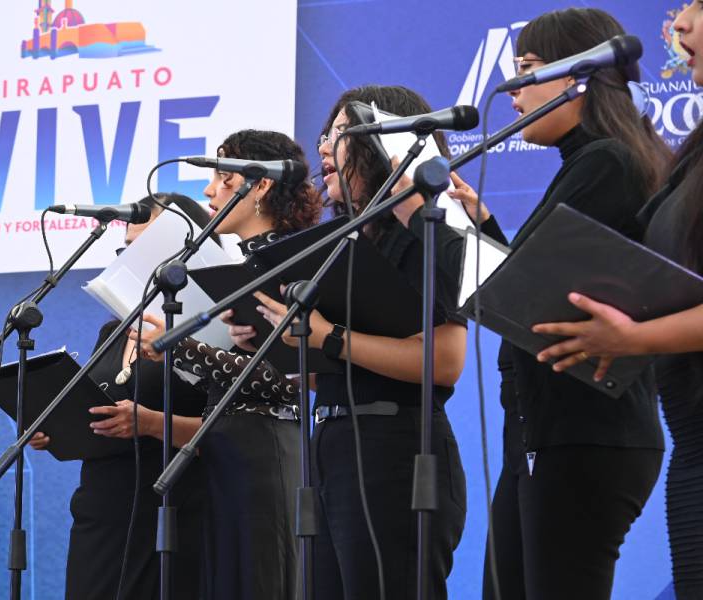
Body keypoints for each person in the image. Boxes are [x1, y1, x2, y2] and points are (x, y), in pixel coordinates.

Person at [473, 8, 672, 600]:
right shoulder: (596, 161)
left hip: (581, 435)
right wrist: (480, 225)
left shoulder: (606, 161)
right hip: (548, 434)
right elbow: (537, 282)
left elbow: (522, 288)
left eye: (528, 68)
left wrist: (433, 221)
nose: (513, 90)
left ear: (579, 74)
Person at [256, 85, 471, 599]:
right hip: (332, 447)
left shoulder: (429, 230)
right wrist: (270, 340)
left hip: (396, 449)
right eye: (324, 134)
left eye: (340, 133)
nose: (323, 148)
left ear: (385, 142)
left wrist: (331, 338)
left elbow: (445, 361)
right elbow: (339, 369)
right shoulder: (342, 245)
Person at [528, 5, 703, 597]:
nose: (679, 26)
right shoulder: (688, 151)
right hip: (689, 437)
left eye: (698, 9)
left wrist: (634, 339)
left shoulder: (610, 159)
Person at [131, 129, 324, 599]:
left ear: (261, 185)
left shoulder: (293, 262)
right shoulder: (246, 265)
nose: (209, 190)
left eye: (223, 178)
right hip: (224, 449)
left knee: (262, 582)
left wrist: (180, 348)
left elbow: (286, 378)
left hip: (266, 450)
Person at [30, 193, 213, 600]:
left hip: (172, 509)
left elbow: (234, 432)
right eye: (126, 248)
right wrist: (58, 428)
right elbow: (101, 410)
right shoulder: (113, 330)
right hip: (101, 510)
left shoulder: (210, 328)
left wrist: (152, 424)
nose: (131, 259)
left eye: (144, 247)